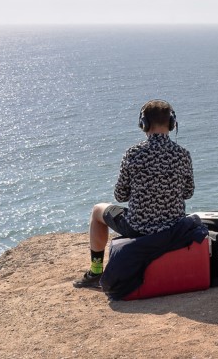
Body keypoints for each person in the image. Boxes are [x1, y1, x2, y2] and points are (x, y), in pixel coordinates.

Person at [74, 99, 195, 289]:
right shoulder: (183, 154)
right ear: (171, 124)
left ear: (143, 124)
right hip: (174, 227)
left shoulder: (133, 154)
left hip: (139, 227)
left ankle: (96, 271)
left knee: (98, 210)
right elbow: (188, 193)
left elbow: (120, 196)